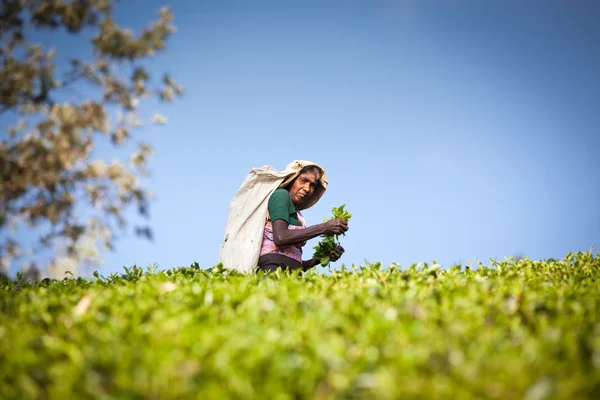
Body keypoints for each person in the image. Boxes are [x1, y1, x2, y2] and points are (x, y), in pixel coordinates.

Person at [258, 164, 349, 273]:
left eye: (312, 185)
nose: (307, 188)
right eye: (303, 180)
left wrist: (320, 258)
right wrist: (324, 228)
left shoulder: (299, 216)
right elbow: (280, 237)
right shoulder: (281, 195)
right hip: (273, 271)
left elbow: (294, 261)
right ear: (292, 179)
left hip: (291, 275)